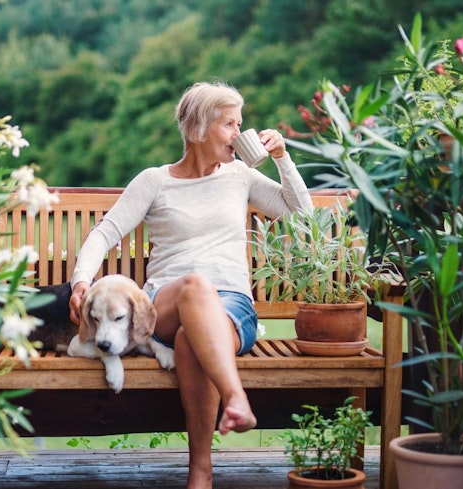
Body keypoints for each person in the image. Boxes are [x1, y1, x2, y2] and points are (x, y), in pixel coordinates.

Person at [68, 81, 313, 489]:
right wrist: (81, 282)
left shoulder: (241, 176)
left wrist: (283, 158)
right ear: (199, 128)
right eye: (229, 124)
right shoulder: (154, 181)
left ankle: (200, 472)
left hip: (232, 306)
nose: (239, 133)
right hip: (162, 304)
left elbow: (301, 215)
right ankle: (235, 398)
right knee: (195, 286)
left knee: (188, 340)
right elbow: (104, 232)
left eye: (241, 124)